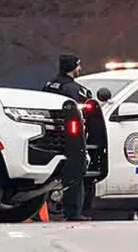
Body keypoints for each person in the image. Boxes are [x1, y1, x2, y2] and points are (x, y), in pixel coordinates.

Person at [43, 54, 93, 222]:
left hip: (49, 136)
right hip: (71, 138)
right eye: (78, 66)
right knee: (75, 174)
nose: (80, 69)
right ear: (72, 67)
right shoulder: (73, 89)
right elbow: (85, 110)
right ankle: (74, 212)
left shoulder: (49, 84)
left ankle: (39, 212)